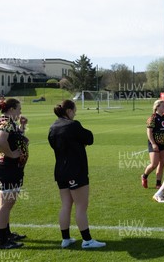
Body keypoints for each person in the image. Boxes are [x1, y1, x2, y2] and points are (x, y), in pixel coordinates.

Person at [48, 100, 106, 248]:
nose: (76, 113)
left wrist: (76, 144)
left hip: (60, 170)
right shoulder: (73, 125)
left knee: (66, 205)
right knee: (81, 206)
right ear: (68, 111)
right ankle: (87, 240)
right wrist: (79, 144)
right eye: (74, 110)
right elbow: (90, 138)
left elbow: (57, 145)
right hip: (75, 170)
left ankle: (65, 239)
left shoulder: (53, 126)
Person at [0, 98, 29, 249]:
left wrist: (22, 126)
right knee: (6, 204)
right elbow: (0, 141)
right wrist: (13, 154)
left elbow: (13, 138)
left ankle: (7, 234)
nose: (20, 111)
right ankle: (2, 241)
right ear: (12, 109)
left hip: (11, 168)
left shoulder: (8, 122)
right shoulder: (4, 122)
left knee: (8, 203)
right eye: (19, 108)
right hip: (7, 168)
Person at [141, 100, 164, 189]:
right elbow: (149, 132)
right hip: (154, 144)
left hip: (163, 144)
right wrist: (153, 143)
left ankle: (158, 183)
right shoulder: (152, 118)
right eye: (163, 106)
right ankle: (144, 176)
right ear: (157, 107)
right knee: (154, 164)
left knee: (162, 163)